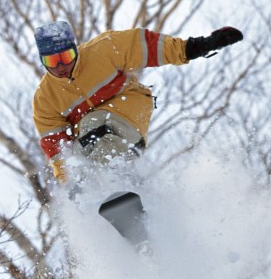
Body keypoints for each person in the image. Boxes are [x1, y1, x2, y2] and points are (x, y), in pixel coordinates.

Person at [32, 21, 243, 184]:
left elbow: (149, 47)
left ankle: (120, 184)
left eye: (66, 56)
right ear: (42, 60)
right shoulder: (45, 98)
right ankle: (118, 208)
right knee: (79, 161)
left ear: (75, 50)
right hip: (95, 140)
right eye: (52, 61)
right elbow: (56, 147)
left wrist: (200, 46)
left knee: (93, 125)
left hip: (129, 110)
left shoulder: (103, 49)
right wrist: (70, 182)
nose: (61, 66)